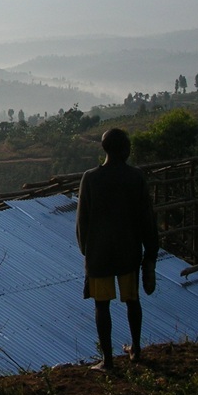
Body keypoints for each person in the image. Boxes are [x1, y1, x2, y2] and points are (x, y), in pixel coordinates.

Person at [76, 127, 159, 370]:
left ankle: (108, 361)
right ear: (124, 149)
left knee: (102, 305)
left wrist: (87, 251)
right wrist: (150, 253)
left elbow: (83, 220)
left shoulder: (90, 178)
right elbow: (147, 219)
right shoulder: (135, 178)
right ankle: (136, 349)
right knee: (132, 300)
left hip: (100, 254)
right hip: (128, 251)